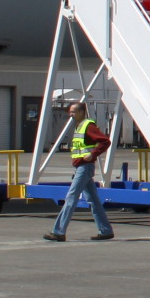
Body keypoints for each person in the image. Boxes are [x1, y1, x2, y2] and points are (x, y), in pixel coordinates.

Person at [44, 101, 113, 242]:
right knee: (93, 200)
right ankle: (105, 230)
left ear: (82, 112)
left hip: (84, 167)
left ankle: (58, 231)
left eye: (74, 111)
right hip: (81, 167)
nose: (71, 114)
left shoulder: (88, 126)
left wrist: (93, 154)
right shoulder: (80, 126)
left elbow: (105, 141)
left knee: (71, 197)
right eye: (70, 111)